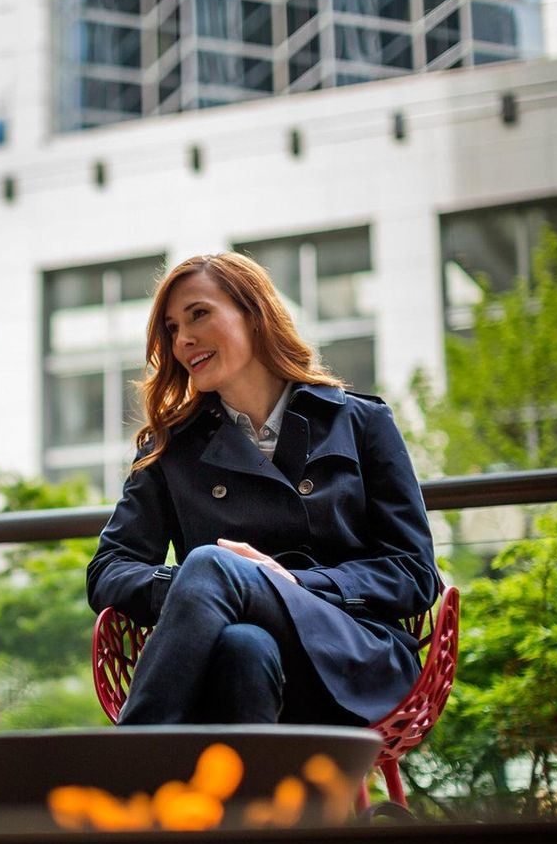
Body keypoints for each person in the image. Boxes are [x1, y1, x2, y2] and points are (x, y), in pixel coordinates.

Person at [87, 253, 438, 727]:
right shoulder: (170, 448)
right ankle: (258, 801)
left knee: (213, 564)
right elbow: (109, 571)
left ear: (254, 316)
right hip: (231, 655)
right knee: (241, 644)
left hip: (355, 655)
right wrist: (202, 588)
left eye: (199, 314)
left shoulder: (359, 422)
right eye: (171, 329)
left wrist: (294, 583)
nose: (183, 339)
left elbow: (413, 573)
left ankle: (131, 769)